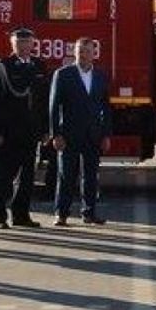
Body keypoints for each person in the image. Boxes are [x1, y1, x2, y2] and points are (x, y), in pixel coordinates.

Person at [0, 26, 49, 229]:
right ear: (12, 44)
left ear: (33, 43)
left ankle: (21, 214)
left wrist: (45, 130)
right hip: (8, 131)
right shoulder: (2, 66)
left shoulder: (39, 66)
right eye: (19, 42)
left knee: (27, 176)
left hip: (31, 130)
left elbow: (43, 101)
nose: (23, 46)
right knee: (3, 175)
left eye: (27, 42)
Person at [49, 37, 113, 226]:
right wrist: (56, 134)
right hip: (69, 134)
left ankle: (89, 213)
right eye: (80, 51)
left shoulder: (100, 76)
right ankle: (61, 213)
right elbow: (54, 106)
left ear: (94, 54)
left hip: (93, 135)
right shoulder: (63, 74)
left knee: (91, 176)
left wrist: (106, 135)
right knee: (66, 176)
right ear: (74, 53)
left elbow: (106, 107)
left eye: (87, 51)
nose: (83, 54)